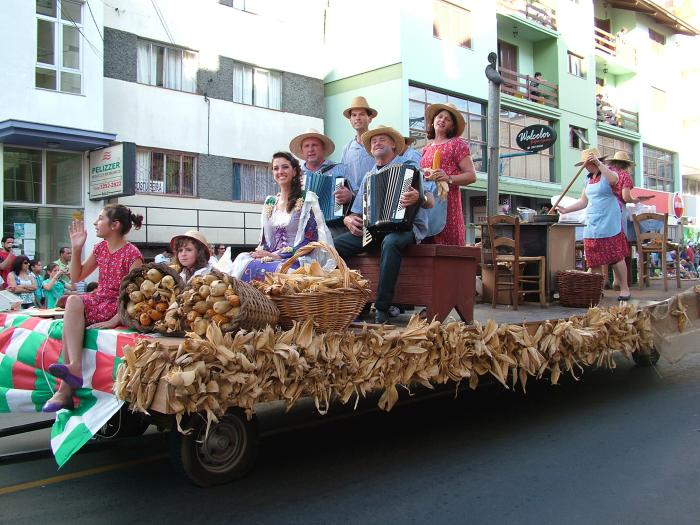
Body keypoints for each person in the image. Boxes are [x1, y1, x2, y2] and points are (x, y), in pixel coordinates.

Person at [42, 204, 143, 412]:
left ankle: (65, 389)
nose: (95, 223)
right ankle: (73, 371)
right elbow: (77, 277)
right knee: (72, 300)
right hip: (99, 300)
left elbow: (135, 296)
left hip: (117, 307)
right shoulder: (100, 248)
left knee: (73, 303)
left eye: (100, 219)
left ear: (114, 225)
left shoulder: (133, 254)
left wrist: (114, 320)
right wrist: (77, 248)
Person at [334, 126, 435, 324]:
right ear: (370, 150)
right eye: (373, 141)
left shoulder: (410, 167)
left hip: (408, 228)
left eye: (382, 139)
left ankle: (382, 307)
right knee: (335, 247)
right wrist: (348, 219)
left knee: (390, 242)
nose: (377, 143)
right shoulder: (369, 176)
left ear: (394, 146)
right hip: (373, 230)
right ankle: (355, 302)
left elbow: (430, 200)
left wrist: (419, 197)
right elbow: (356, 212)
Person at [226, 151, 334, 282]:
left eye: (285, 167)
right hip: (270, 257)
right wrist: (261, 253)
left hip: (295, 259)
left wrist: (279, 255)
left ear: (294, 171)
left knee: (280, 269)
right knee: (242, 259)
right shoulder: (270, 202)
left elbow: (310, 240)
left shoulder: (307, 200)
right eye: (276, 168)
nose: (280, 171)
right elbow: (265, 241)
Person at [555, 149, 631, 301]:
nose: (585, 167)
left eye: (587, 164)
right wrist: (566, 209)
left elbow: (614, 180)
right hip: (592, 221)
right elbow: (584, 201)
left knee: (615, 256)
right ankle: (595, 290)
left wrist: (599, 163)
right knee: (593, 258)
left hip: (609, 219)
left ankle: (625, 289)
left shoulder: (609, 171)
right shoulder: (588, 178)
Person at [419, 102, 477, 245]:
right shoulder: (425, 150)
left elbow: (471, 175)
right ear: (432, 122)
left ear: (452, 126)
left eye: (447, 119)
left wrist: (448, 177)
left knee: (447, 247)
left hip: (448, 203)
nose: (442, 120)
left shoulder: (457, 144)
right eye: (439, 116)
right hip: (427, 204)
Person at [603, 150, 652, 290]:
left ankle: (604, 278)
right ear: (626, 164)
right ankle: (617, 281)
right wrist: (637, 200)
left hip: (604, 209)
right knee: (617, 245)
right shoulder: (625, 176)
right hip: (618, 210)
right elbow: (625, 197)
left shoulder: (606, 174)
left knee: (604, 244)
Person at [290, 129, 349, 237]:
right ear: (302, 151)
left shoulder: (339, 169)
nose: (310, 149)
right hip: (302, 227)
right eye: (306, 146)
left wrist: (350, 196)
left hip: (333, 226)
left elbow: (358, 198)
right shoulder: (296, 175)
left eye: (314, 145)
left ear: (323, 148)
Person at [339, 96, 378, 195]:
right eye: (354, 115)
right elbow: (343, 176)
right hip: (353, 203)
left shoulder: (378, 145)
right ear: (350, 120)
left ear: (370, 118)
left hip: (377, 198)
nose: (357, 118)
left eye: (362, 114)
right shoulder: (346, 149)